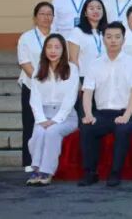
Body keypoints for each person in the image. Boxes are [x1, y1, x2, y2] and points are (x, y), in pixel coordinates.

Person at [78, 22, 132, 187]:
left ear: (123, 39)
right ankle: (90, 173)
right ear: (103, 39)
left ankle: (115, 172)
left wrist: (126, 116)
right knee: (87, 127)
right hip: (102, 112)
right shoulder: (94, 64)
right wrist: (88, 115)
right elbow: (87, 92)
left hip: (127, 112)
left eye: (117, 37)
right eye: (108, 37)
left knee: (122, 129)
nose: (113, 40)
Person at [25, 34, 79, 186]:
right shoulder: (39, 69)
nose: (53, 51)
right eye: (49, 47)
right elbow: (34, 98)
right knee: (38, 133)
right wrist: (41, 119)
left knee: (52, 132)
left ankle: (46, 171)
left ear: (63, 50)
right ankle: (36, 169)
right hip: (43, 114)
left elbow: (70, 98)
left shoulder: (72, 69)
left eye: (57, 47)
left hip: (66, 116)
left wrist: (55, 120)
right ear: (44, 50)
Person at [17, 2, 54, 171]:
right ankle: (29, 161)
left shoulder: (57, 37)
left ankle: (47, 161)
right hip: (32, 86)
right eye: (42, 14)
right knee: (30, 123)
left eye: (49, 14)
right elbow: (24, 62)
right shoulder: (26, 37)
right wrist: (40, 80)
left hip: (53, 89)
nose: (46, 17)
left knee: (50, 125)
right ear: (35, 17)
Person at [67, 0, 107, 76]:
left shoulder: (107, 32)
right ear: (85, 13)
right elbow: (73, 60)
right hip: (84, 77)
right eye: (91, 8)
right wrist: (77, 80)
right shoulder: (77, 32)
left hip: (105, 78)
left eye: (99, 8)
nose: (96, 11)